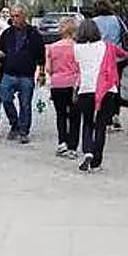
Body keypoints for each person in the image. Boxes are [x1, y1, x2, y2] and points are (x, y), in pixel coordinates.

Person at [72, 18, 128, 172]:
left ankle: (87, 152)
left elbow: (77, 67)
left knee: (87, 123)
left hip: (85, 90)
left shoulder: (77, 48)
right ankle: (96, 162)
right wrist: (113, 62)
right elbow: (125, 55)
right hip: (107, 90)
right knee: (101, 126)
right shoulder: (108, 47)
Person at [0, 5, 46, 143]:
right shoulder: (7, 34)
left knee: (25, 104)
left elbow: (41, 55)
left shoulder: (34, 34)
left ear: (24, 16)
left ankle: (23, 130)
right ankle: (14, 123)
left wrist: (41, 73)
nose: (14, 19)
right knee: (5, 97)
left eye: (17, 16)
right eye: (12, 16)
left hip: (26, 74)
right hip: (9, 73)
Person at [45, 17, 81, 157]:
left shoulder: (52, 48)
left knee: (60, 115)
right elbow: (80, 68)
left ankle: (62, 143)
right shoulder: (78, 47)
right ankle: (72, 147)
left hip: (57, 84)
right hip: (74, 84)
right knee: (75, 116)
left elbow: (49, 69)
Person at [91, 0, 125, 131]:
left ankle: (102, 115)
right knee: (115, 87)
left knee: (100, 87)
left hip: (99, 59)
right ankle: (115, 114)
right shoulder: (117, 20)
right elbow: (124, 35)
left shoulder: (94, 22)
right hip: (116, 58)